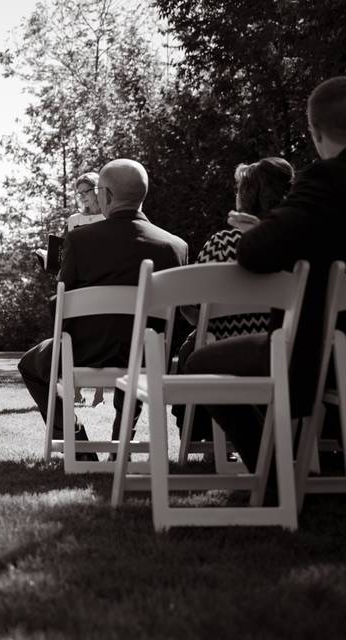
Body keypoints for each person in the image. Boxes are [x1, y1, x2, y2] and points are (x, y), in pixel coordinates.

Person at [185, 77, 346, 481]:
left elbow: (256, 253)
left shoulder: (327, 181)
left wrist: (262, 227)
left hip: (320, 352)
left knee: (199, 363)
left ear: (314, 130)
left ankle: (274, 475)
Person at [18, 159, 187, 461]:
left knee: (30, 364)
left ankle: (77, 443)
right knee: (135, 347)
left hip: (86, 353)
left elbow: (62, 302)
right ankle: (121, 448)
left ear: (106, 195)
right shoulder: (175, 246)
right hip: (149, 354)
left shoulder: (81, 240)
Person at [172, 158, 294, 444]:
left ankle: (200, 437)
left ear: (246, 196)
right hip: (287, 348)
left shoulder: (221, 243)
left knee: (196, 345)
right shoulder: (296, 242)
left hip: (226, 350)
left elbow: (194, 310)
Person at [68, 172, 106, 407]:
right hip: (79, 281)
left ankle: (100, 392)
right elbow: (67, 251)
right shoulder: (74, 220)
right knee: (79, 337)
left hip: (102, 281)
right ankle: (77, 390)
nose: (82, 196)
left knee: (100, 336)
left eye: (87, 191)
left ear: (98, 191)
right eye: (79, 192)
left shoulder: (108, 218)